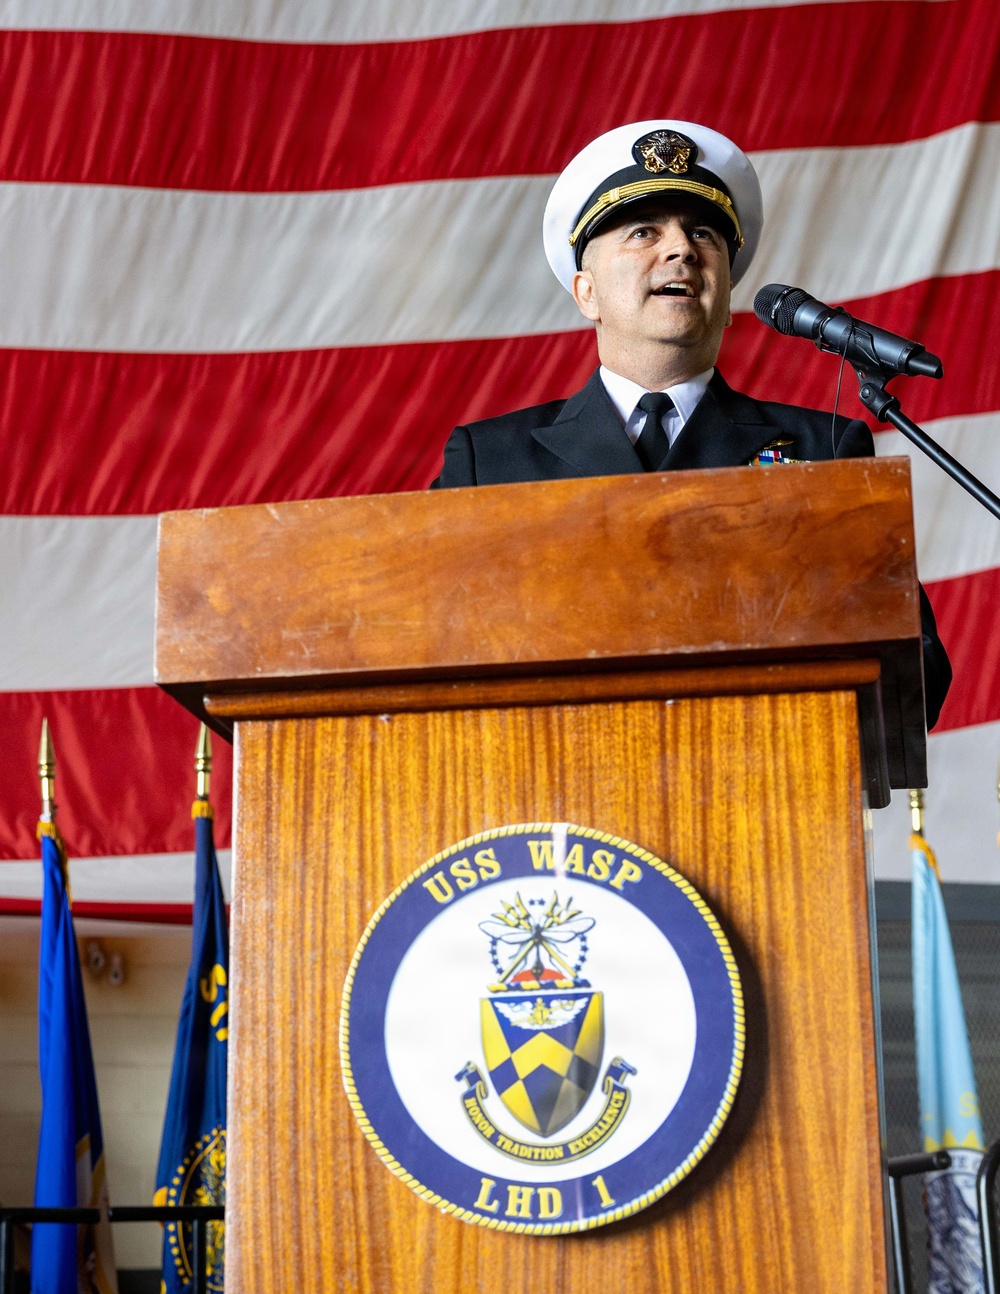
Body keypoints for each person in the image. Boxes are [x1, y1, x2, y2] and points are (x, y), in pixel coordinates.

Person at [431, 119, 950, 726]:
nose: (680, 249)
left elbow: (916, 673)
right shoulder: (490, 461)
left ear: (726, 291)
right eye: (644, 231)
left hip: (760, 790)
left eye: (702, 233)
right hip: (555, 804)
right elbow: (425, 647)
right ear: (586, 292)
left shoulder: (825, 447)